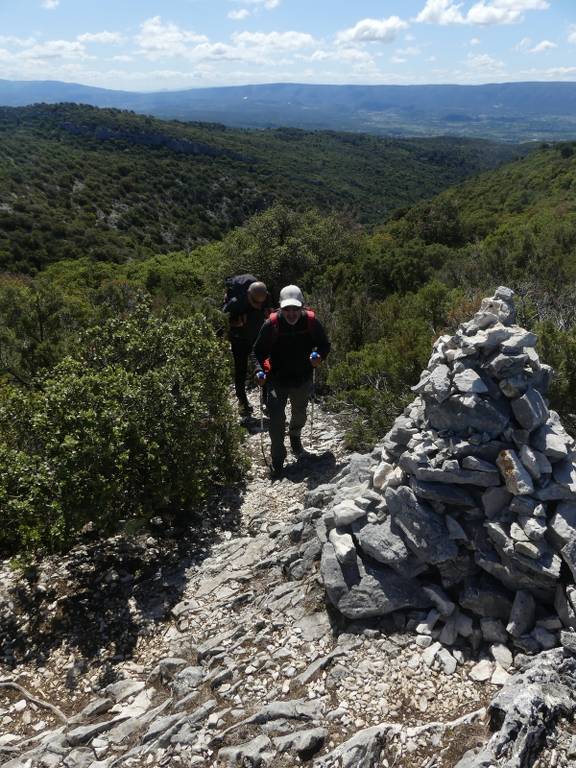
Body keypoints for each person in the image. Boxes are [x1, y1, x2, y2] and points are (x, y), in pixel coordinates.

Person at [253, 284, 331, 476]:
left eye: (295, 308)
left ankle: (295, 437)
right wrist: (258, 370)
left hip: (302, 378)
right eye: (287, 309)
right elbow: (257, 351)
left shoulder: (311, 322)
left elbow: (324, 344)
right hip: (276, 379)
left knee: (300, 413)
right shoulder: (271, 325)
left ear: (302, 307)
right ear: (280, 307)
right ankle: (278, 460)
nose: (291, 313)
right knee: (276, 421)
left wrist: (319, 356)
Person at [223, 278, 271, 417]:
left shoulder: (265, 296)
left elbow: (270, 311)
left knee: (265, 366)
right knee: (240, 370)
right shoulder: (235, 303)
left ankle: (266, 399)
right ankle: (242, 402)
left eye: (260, 302)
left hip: (257, 336)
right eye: (255, 302)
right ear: (248, 295)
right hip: (239, 339)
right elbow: (222, 317)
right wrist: (234, 324)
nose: (258, 305)